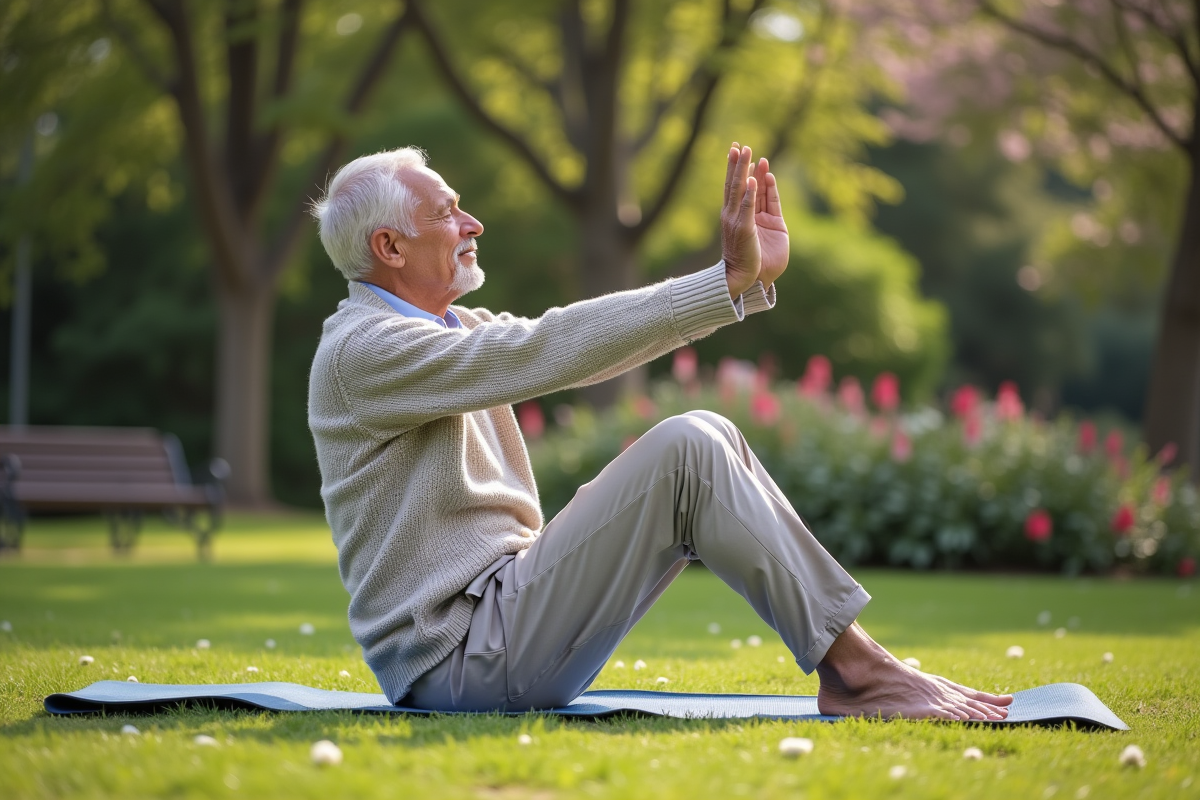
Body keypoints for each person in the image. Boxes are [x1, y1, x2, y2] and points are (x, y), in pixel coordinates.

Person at [307, 143, 1012, 721]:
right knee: (689, 447)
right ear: (389, 246)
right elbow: (545, 347)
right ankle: (862, 675)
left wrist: (741, 285)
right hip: (460, 660)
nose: (473, 224)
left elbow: (562, 342)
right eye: (447, 213)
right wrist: (723, 280)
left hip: (504, 623)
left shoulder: (449, 330)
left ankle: (863, 667)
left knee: (707, 435)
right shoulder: (362, 351)